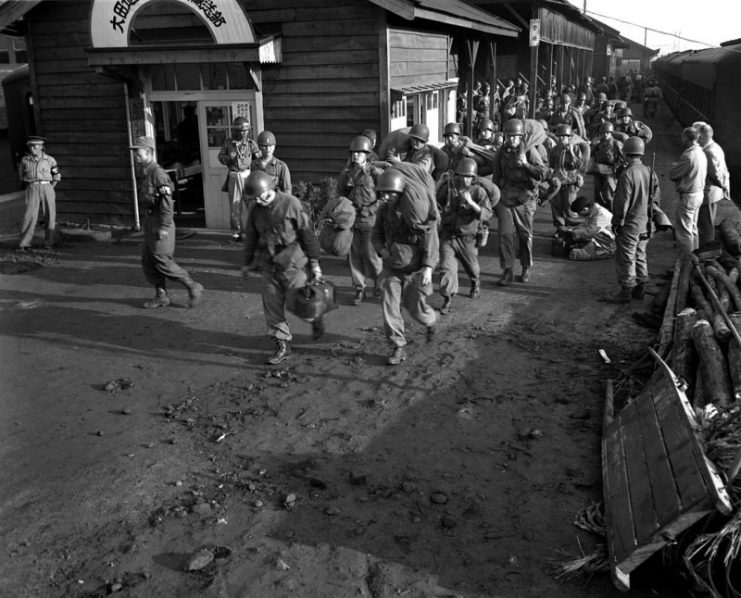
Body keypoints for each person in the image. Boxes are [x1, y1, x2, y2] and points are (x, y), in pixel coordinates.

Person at [241, 170, 324, 365]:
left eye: (259, 197)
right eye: (254, 199)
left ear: (268, 189)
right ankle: (282, 344)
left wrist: (315, 262)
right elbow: (251, 237)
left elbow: (307, 234)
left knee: (301, 303)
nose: (258, 201)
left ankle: (315, 317)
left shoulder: (290, 204)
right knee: (272, 306)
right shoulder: (256, 209)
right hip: (269, 265)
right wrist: (246, 262)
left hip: (293, 263)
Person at [371, 169, 439, 365]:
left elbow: (430, 237)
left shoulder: (415, 211)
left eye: (390, 192)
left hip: (416, 268)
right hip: (393, 266)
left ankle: (430, 320)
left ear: (400, 191)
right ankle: (398, 346)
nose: (386, 196)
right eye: (383, 192)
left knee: (416, 308)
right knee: (389, 303)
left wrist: (427, 266)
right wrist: (382, 250)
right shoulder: (384, 211)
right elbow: (376, 235)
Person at [128, 136, 204, 309]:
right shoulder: (146, 172)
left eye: (137, 151)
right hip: (150, 220)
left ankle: (192, 286)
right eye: (134, 152)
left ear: (148, 152)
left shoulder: (158, 174)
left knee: (162, 260)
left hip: (161, 222)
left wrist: (163, 226)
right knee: (149, 261)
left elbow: (167, 203)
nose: (135, 155)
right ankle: (161, 295)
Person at [492, 118, 548, 285]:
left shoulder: (529, 151)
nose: (512, 140)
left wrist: (525, 164)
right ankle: (508, 270)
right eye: (509, 136)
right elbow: (496, 177)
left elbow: (542, 173)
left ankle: (525, 266)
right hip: (506, 197)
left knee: (525, 236)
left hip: (524, 198)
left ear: (521, 137)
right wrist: (495, 201)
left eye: (515, 137)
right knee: (505, 235)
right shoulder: (500, 153)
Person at [436, 157, 493, 314]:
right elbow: (436, 199)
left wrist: (472, 203)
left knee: (472, 267)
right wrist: (441, 183)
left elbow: (487, 213)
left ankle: (475, 283)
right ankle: (447, 298)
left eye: (468, 176)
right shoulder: (450, 187)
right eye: (462, 175)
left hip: (467, 237)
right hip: (449, 235)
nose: (465, 179)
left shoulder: (478, 191)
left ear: (473, 177)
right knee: (447, 267)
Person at [610, 136, 662, 303]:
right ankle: (641, 288)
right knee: (640, 255)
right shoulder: (649, 171)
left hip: (630, 224)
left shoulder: (627, 174)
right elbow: (656, 199)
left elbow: (621, 203)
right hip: (646, 223)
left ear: (626, 154)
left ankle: (626, 291)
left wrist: (617, 222)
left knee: (626, 256)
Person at [338, 136, 385, 305]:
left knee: (372, 256)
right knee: (355, 256)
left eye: (360, 152)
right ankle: (359, 289)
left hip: (371, 221)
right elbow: (340, 195)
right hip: (351, 221)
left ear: (367, 154)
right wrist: (340, 211)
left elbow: (385, 196)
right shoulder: (346, 174)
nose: (356, 155)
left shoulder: (375, 173)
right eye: (354, 152)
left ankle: (379, 285)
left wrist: (371, 209)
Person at [218, 116, 260, 241]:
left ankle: (256, 231)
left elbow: (258, 160)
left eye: (246, 130)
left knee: (252, 206)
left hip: (247, 176)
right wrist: (229, 158)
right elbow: (220, 157)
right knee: (235, 208)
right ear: (235, 131)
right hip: (234, 176)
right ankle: (237, 232)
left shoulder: (251, 144)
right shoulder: (228, 143)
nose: (243, 133)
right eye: (241, 131)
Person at [17, 136, 61, 251]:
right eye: (30, 146)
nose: (32, 148)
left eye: (35, 146)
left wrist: (50, 188)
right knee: (30, 215)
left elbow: (56, 176)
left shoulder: (50, 160)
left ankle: (49, 243)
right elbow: (21, 176)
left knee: (50, 215)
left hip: (47, 187)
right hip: (32, 187)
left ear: (41, 147)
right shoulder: (25, 160)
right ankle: (24, 243)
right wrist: (30, 184)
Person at [668, 126, 707, 253]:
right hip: (698, 194)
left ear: (686, 138)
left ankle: (687, 262)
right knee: (693, 228)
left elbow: (673, 175)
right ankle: (695, 258)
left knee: (684, 232)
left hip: (689, 196)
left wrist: (675, 168)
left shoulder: (689, 156)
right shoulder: (701, 152)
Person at [693, 122, 731, 246]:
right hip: (712, 192)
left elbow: (714, 174)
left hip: (708, 193)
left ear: (702, 137)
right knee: (707, 222)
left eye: (697, 136)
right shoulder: (715, 146)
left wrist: (723, 186)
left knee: (706, 225)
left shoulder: (708, 152)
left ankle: (707, 251)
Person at [546, 124, 587, 231]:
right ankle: (560, 228)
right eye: (559, 136)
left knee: (569, 207)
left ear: (569, 137)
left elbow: (579, 164)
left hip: (571, 183)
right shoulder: (554, 150)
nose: (561, 139)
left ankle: (571, 229)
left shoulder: (576, 149)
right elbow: (550, 165)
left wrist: (572, 151)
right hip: (558, 182)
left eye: (564, 136)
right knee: (556, 206)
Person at [558, 195, 616, 260]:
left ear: (585, 209)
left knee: (574, 255)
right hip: (600, 238)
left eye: (579, 213)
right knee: (575, 234)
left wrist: (570, 230)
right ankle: (582, 245)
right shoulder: (592, 210)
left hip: (608, 244)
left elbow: (589, 232)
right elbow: (585, 225)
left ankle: (605, 251)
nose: (579, 215)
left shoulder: (600, 215)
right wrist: (571, 228)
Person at [590, 121, 624, 211]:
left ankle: (612, 212)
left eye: (607, 133)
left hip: (611, 171)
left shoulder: (616, 144)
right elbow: (590, 154)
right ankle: (599, 212)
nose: (605, 135)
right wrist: (593, 145)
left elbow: (623, 159)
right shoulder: (598, 143)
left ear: (611, 133)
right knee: (597, 192)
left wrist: (614, 168)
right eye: (603, 133)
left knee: (608, 193)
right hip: (598, 170)